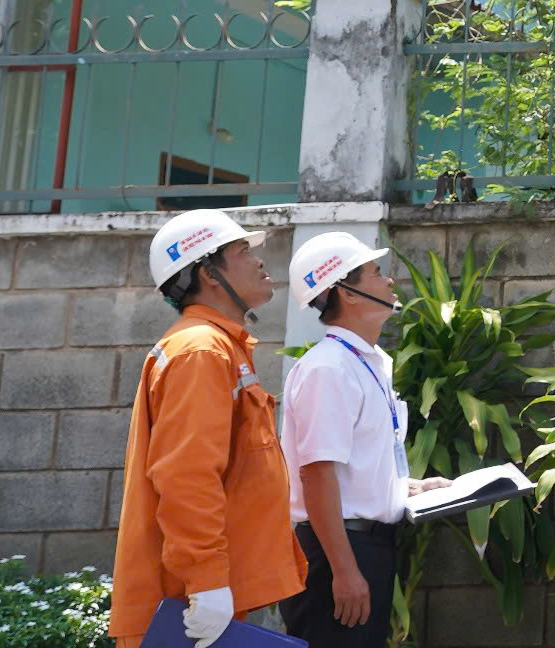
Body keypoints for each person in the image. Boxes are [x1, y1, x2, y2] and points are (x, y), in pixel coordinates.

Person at [112, 209, 307, 648]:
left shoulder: (217, 346)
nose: (259, 261)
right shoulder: (201, 350)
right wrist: (206, 581)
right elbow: (187, 475)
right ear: (208, 272)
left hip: (204, 602)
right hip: (187, 608)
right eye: (242, 251)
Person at [279, 232, 450, 648]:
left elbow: (349, 468)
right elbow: (317, 474)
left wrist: (405, 487)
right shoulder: (330, 369)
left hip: (360, 547)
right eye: (376, 273)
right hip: (337, 550)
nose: (389, 281)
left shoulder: (362, 362)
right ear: (348, 293)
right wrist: (344, 569)